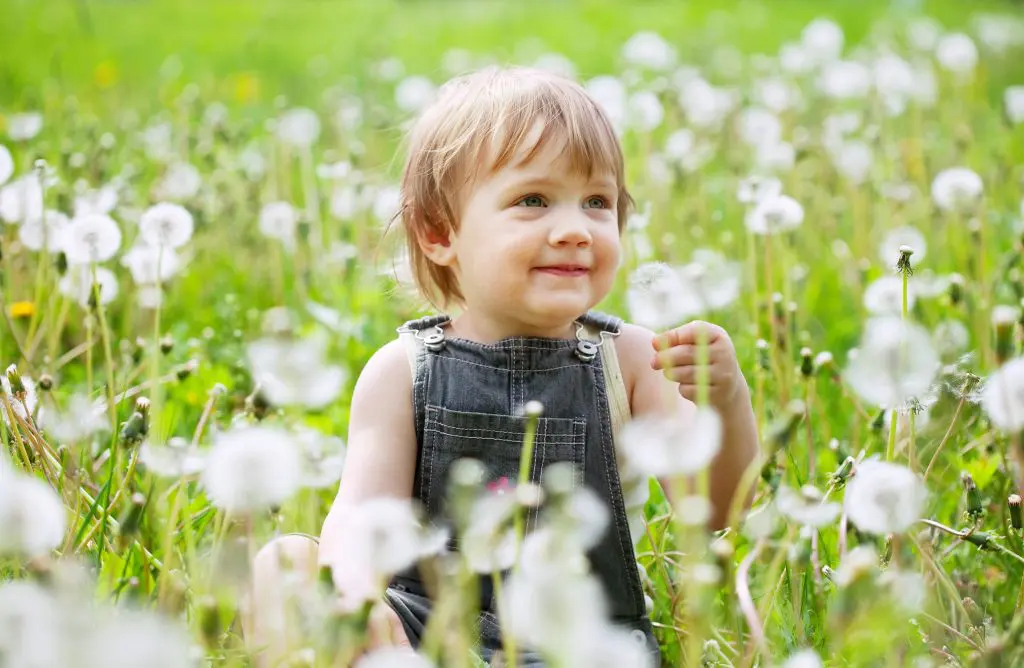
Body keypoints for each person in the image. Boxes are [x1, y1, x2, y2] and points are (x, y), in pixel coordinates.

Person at [244, 65, 761, 666]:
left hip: (579, 639)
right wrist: (355, 588)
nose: (574, 230)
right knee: (283, 564)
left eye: (598, 202)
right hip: (426, 629)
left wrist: (725, 402)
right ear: (439, 233)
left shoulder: (634, 363)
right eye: (533, 200)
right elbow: (361, 512)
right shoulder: (402, 371)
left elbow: (720, 509)